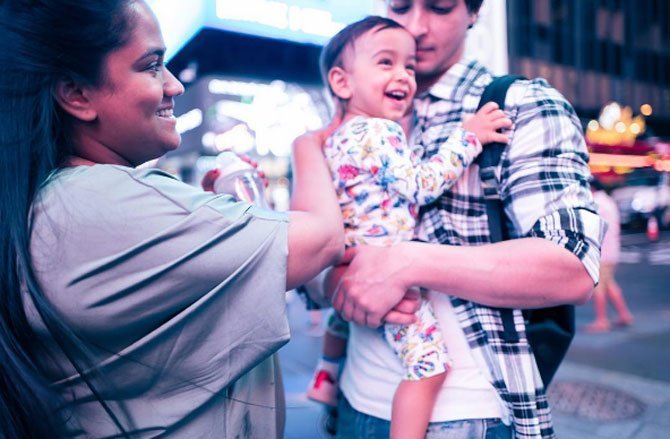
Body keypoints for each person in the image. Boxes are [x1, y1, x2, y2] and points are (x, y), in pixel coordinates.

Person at [0, 1, 344, 437]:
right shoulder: (101, 199)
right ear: (76, 94)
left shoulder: (54, 198)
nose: (175, 85)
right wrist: (308, 144)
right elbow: (322, 239)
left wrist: (210, 215)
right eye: (151, 66)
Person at [302, 1, 606, 437]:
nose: (415, 26)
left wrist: (406, 262)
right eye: (400, 5)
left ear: (474, 12)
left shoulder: (517, 104)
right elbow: (312, 261)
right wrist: (339, 282)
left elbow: (574, 270)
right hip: (353, 400)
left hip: (465, 417)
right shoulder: (348, 121)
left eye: (440, 7)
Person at [302, 16, 512, 439]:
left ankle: (326, 378)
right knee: (429, 367)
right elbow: (421, 184)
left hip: (355, 265)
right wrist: (469, 137)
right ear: (342, 82)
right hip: (389, 277)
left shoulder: (335, 138)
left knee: (342, 322)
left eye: (409, 66)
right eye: (386, 62)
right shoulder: (380, 131)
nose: (403, 75)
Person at [584, 179, 634, 332]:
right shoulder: (608, 201)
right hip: (611, 249)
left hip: (602, 251)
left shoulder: (596, 203)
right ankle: (624, 315)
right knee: (609, 284)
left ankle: (601, 320)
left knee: (598, 286)